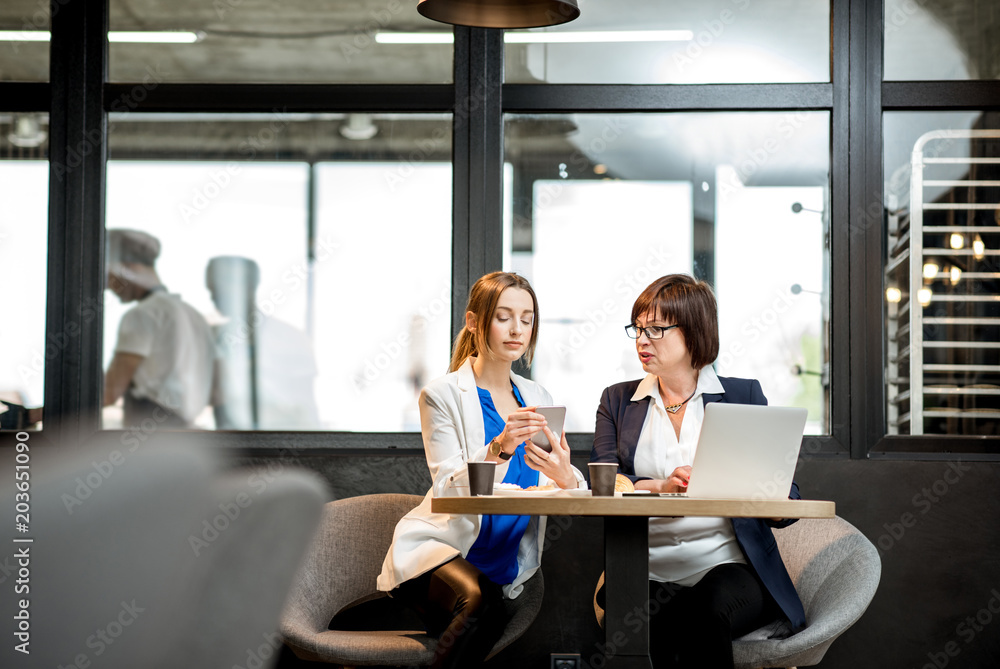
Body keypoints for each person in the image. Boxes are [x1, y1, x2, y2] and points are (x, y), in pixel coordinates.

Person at [591, 274, 805, 669]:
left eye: (655, 329)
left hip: (727, 566)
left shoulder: (743, 396)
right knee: (663, 615)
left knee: (701, 612)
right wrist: (660, 486)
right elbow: (606, 481)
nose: (642, 340)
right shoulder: (618, 400)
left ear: (693, 331)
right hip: (645, 568)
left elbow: (786, 498)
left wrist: (766, 499)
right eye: (637, 329)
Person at [377, 271, 585, 669]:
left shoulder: (538, 397)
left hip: (503, 563)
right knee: (479, 603)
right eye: (504, 316)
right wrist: (498, 448)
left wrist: (564, 474)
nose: (517, 329)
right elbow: (447, 489)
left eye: (526, 319)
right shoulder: (441, 395)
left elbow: (564, 488)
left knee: (488, 606)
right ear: (474, 322)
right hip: (438, 553)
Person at [104, 229, 216, 428]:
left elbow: (109, 392)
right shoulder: (194, 315)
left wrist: (44, 414)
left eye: (109, 276)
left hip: (149, 438)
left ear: (128, 267)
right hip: (186, 436)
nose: (107, 286)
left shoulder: (141, 315)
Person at [205, 256, 320, 430]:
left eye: (217, 289)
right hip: (229, 447)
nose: (212, 298)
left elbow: (306, 406)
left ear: (247, 286)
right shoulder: (215, 337)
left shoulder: (289, 338)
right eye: (210, 290)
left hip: (280, 442)